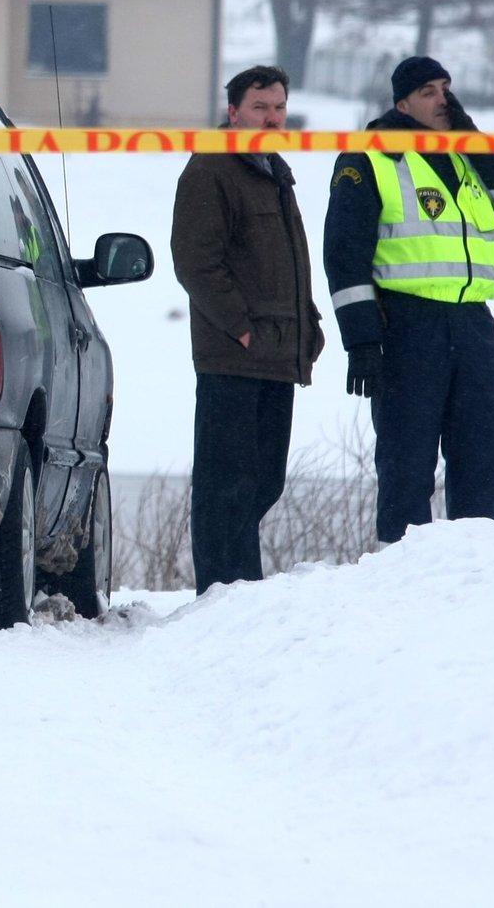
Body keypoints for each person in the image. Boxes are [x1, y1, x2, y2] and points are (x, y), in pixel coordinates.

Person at [323, 55, 494, 545]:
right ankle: (400, 579)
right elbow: (344, 254)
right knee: (406, 464)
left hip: (473, 326)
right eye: (428, 92)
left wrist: (478, 142)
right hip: (406, 326)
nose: (442, 98)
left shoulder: (469, 154)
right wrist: (361, 341)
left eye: (446, 88)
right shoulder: (372, 157)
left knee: (484, 456)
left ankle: (479, 569)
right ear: (402, 104)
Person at [170, 65, 324, 594]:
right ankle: (222, 594)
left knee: (263, 482)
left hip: (278, 354)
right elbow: (195, 261)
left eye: (279, 107)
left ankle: (242, 592)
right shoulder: (212, 168)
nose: (272, 117)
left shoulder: (274, 172)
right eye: (261, 108)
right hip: (233, 355)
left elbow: (286, 264)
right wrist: (239, 328)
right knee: (225, 487)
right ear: (234, 111)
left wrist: (310, 327)